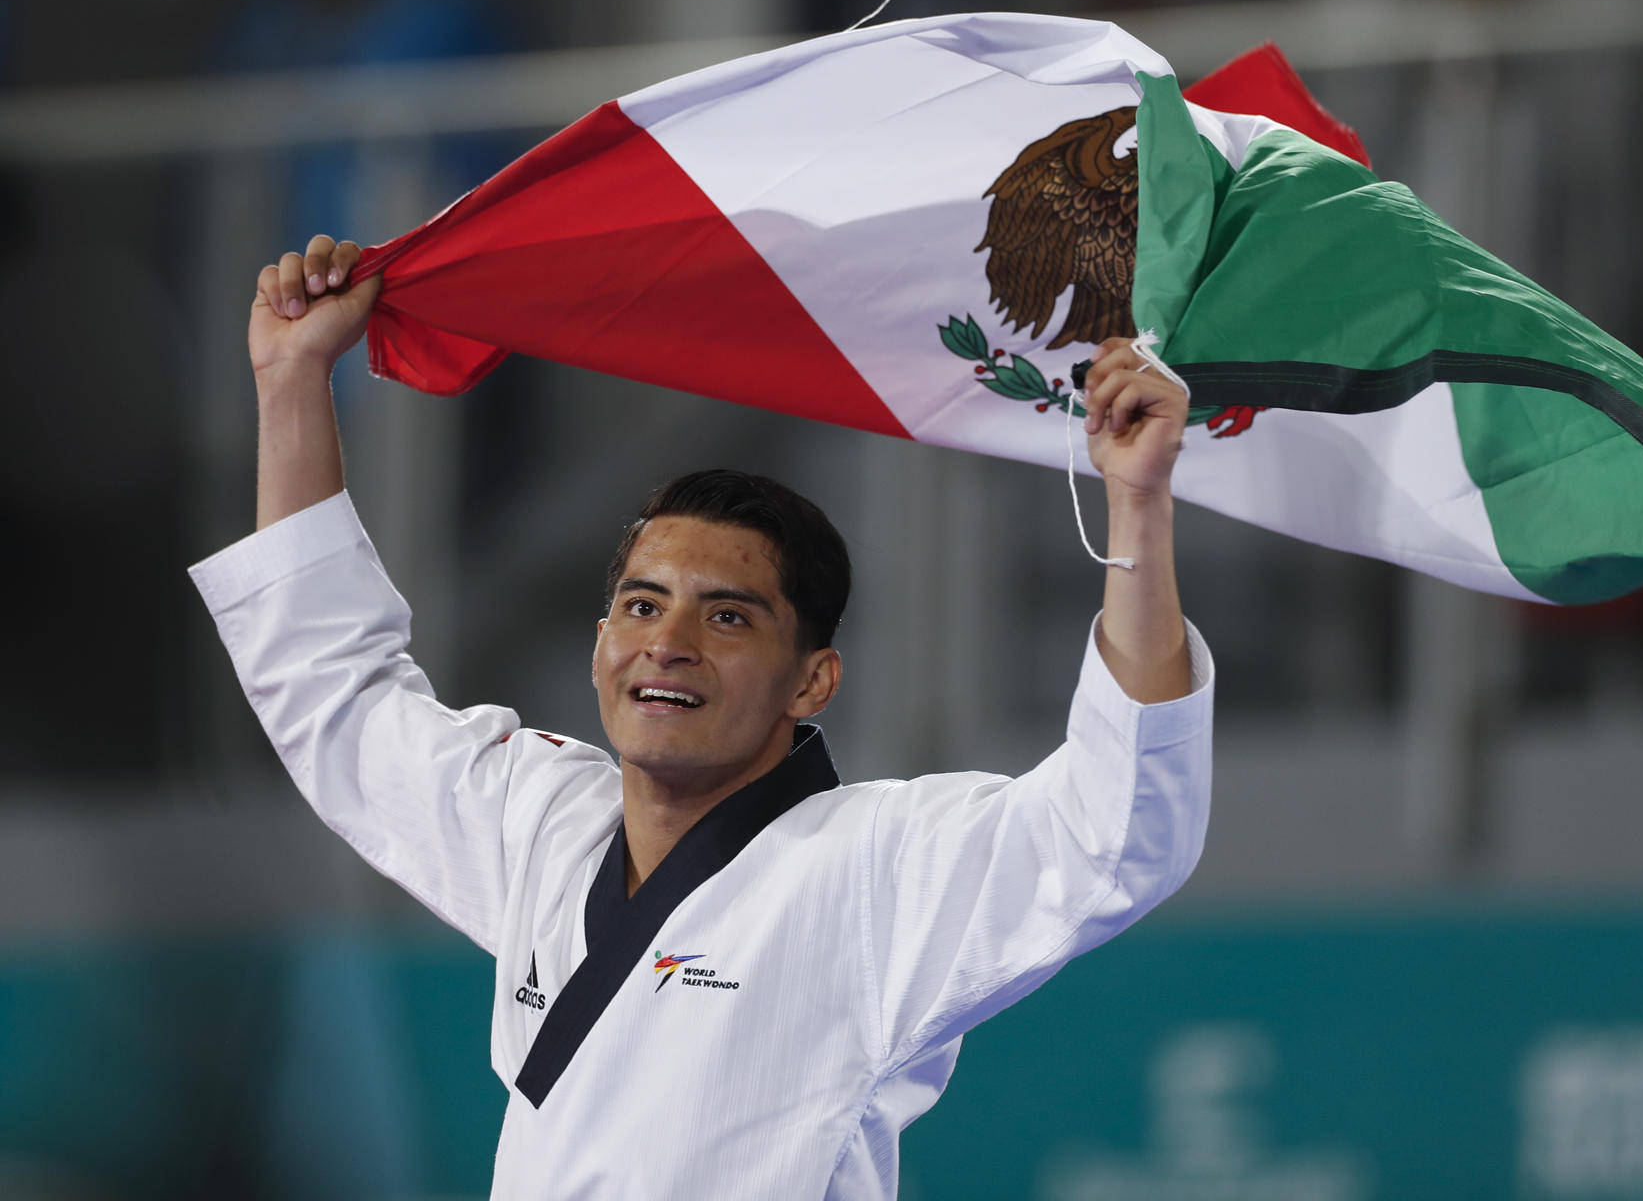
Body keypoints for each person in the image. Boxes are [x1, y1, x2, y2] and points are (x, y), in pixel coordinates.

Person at [190, 235, 1215, 1198]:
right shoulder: (542, 819)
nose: (667, 641)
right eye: (642, 603)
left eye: (727, 615)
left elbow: (1112, 829)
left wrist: (1138, 509)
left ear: (811, 681)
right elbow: (336, 690)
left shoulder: (873, 865)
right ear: (599, 644)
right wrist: (291, 382)